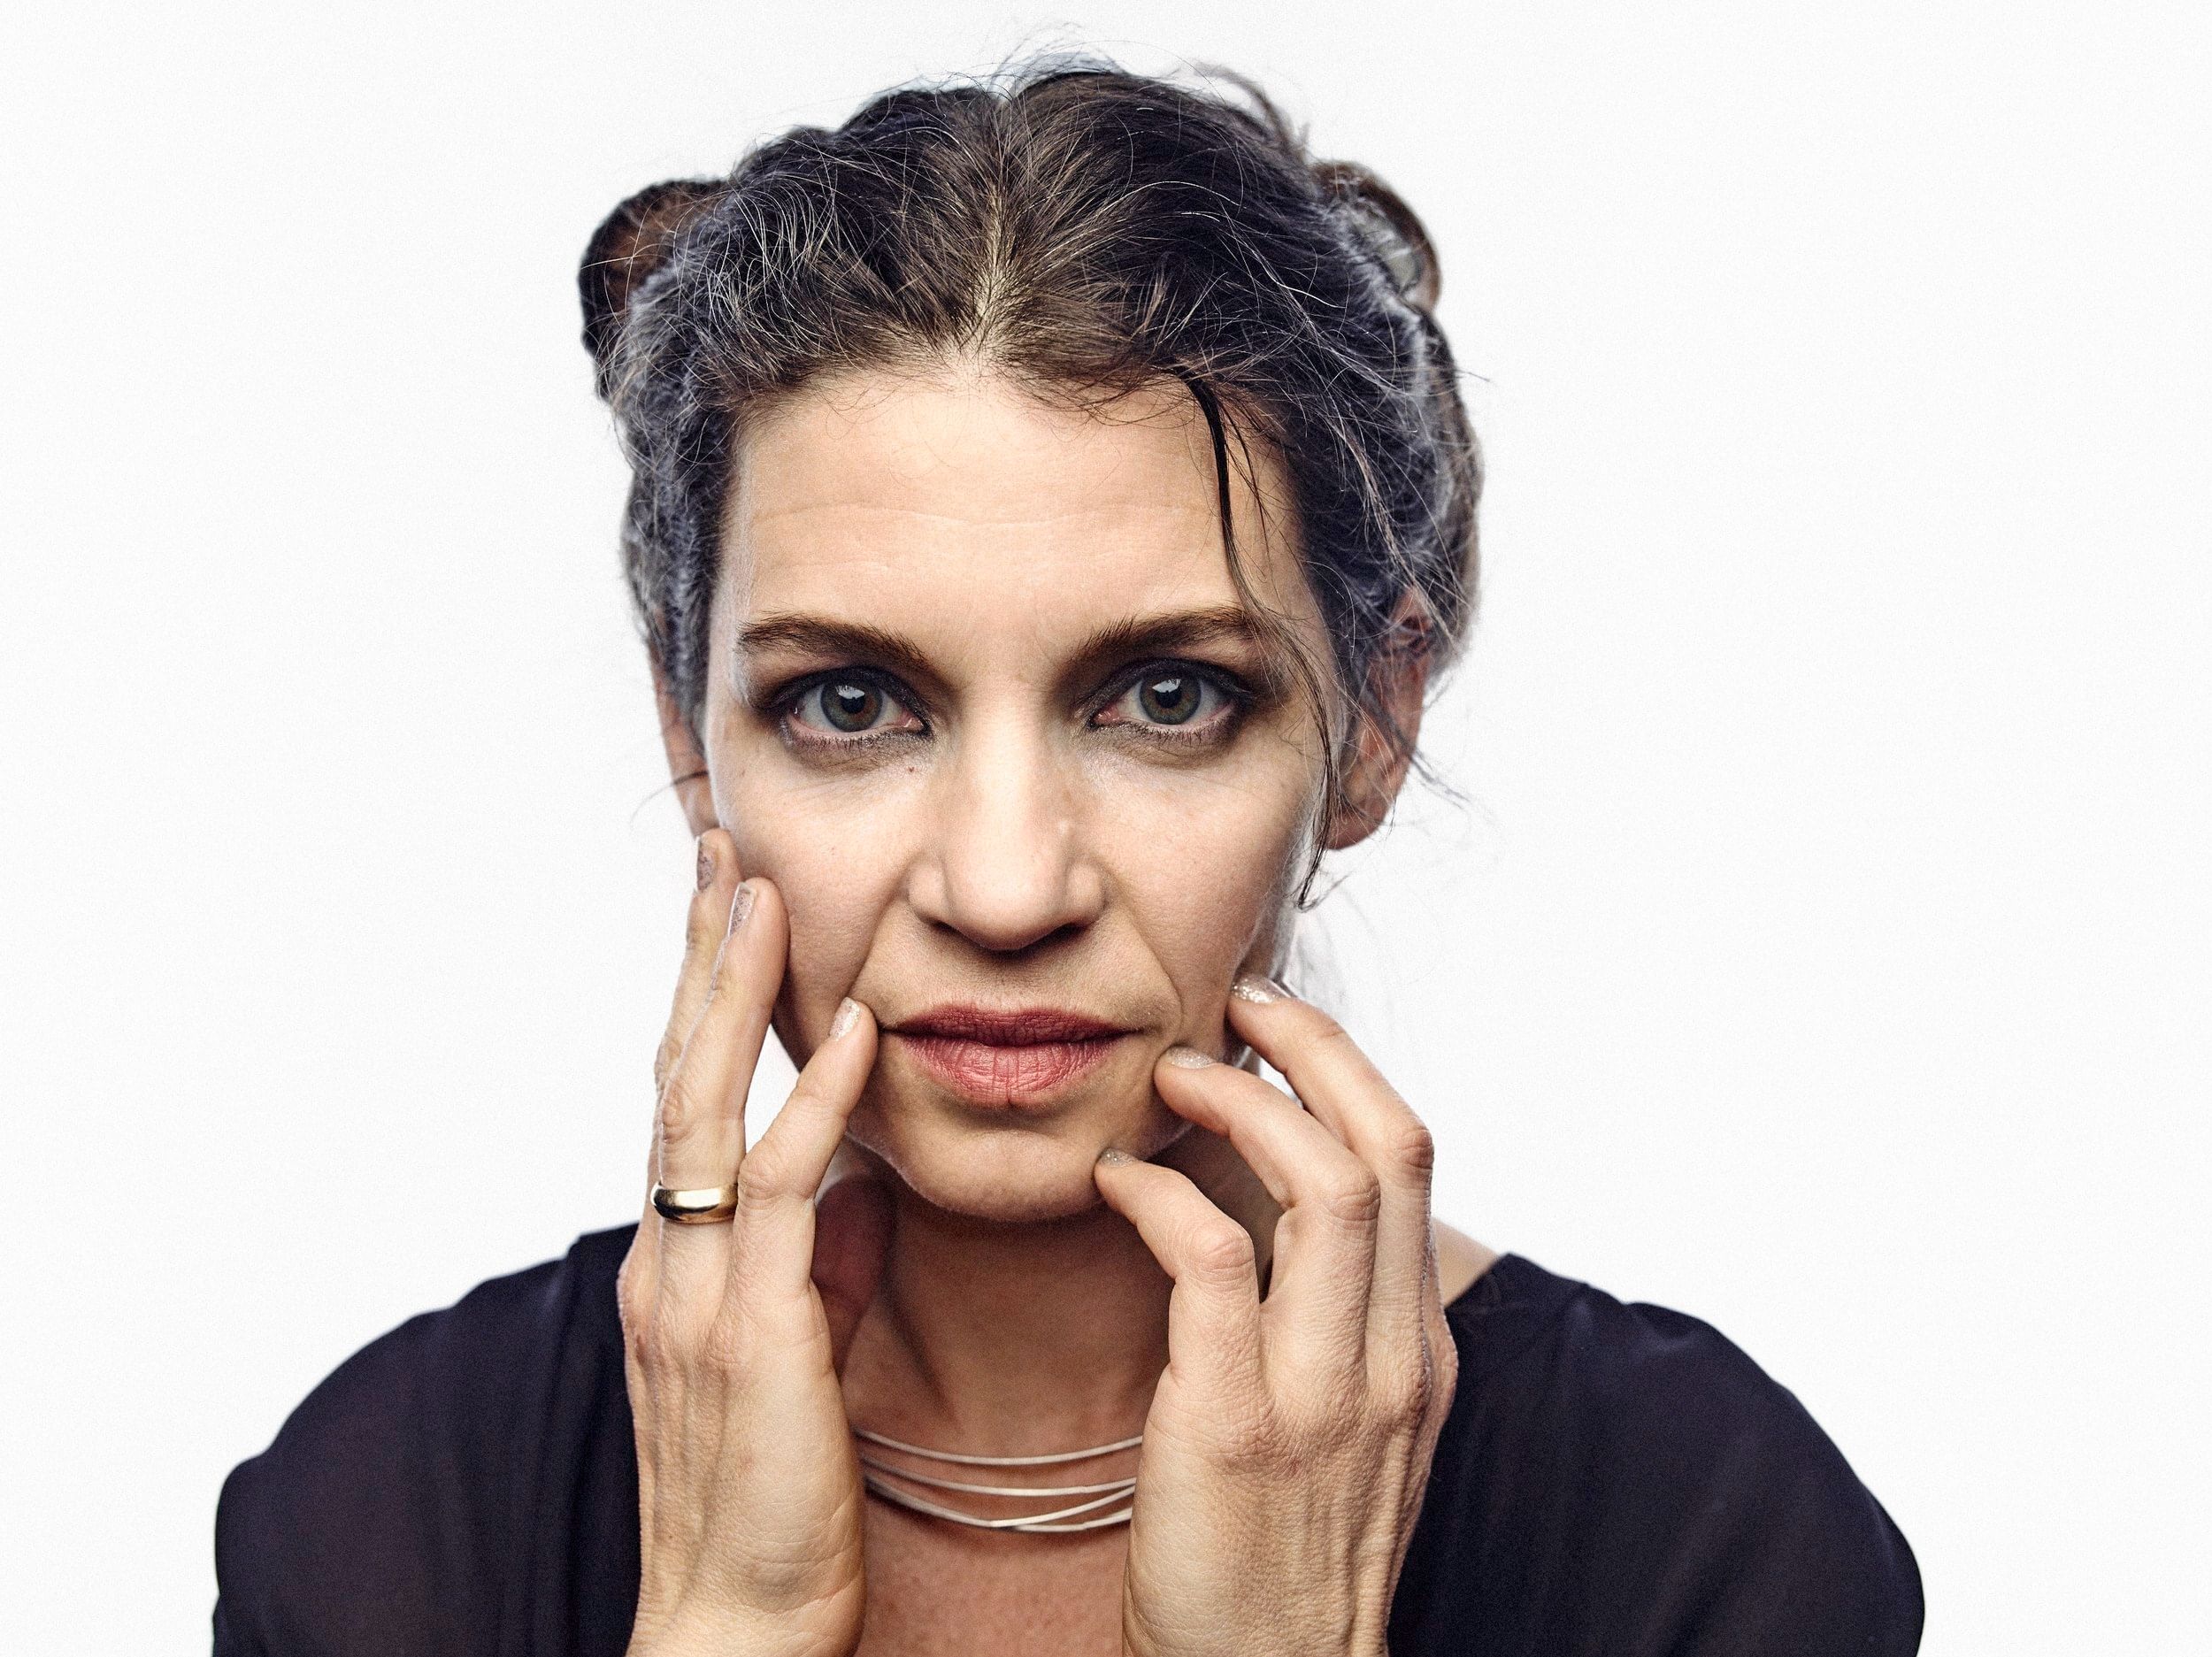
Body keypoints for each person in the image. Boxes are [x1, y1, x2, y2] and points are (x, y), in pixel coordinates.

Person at [211, 59, 1923, 1657]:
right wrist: (724, 1622)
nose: (1010, 888)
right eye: (853, 700)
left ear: (1373, 723)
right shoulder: (384, 1521)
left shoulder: (1705, 1537)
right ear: (688, 729)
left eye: (1166, 697)